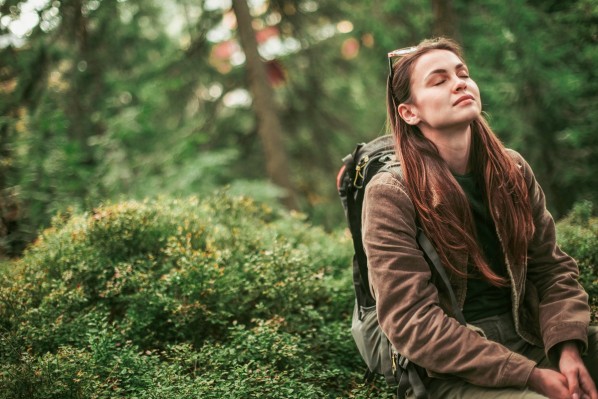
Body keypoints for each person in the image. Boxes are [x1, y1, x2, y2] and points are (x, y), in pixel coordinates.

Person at [362, 37, 597, 399]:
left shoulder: (512, 169)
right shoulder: (390, 194)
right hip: (452, 368)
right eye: (438, 80)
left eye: (462, 74)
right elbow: (412, 324)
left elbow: (551, 270)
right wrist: (531, 376)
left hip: (531, 333)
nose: (459, 83)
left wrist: (567, 348)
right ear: (410, 112)